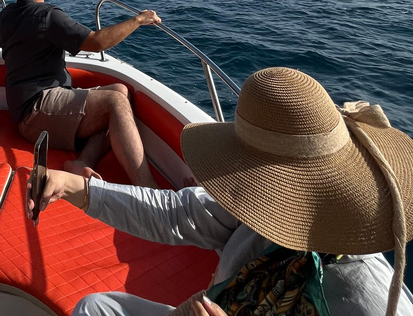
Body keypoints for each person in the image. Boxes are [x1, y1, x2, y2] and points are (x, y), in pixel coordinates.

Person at [29, 67, 413, 316]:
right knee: (97, 308)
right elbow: (176, 214)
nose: (236, 183)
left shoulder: (371, 299)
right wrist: (76, 188)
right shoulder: (266, 208)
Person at [0, 0, 160, 187]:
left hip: (30, 107)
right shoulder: (49, 16)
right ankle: (150, 191)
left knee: (120, 91)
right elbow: (97, 42)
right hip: (36, 109)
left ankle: (82, 162)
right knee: (115, 102)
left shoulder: (3, 17)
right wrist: (138, 20)